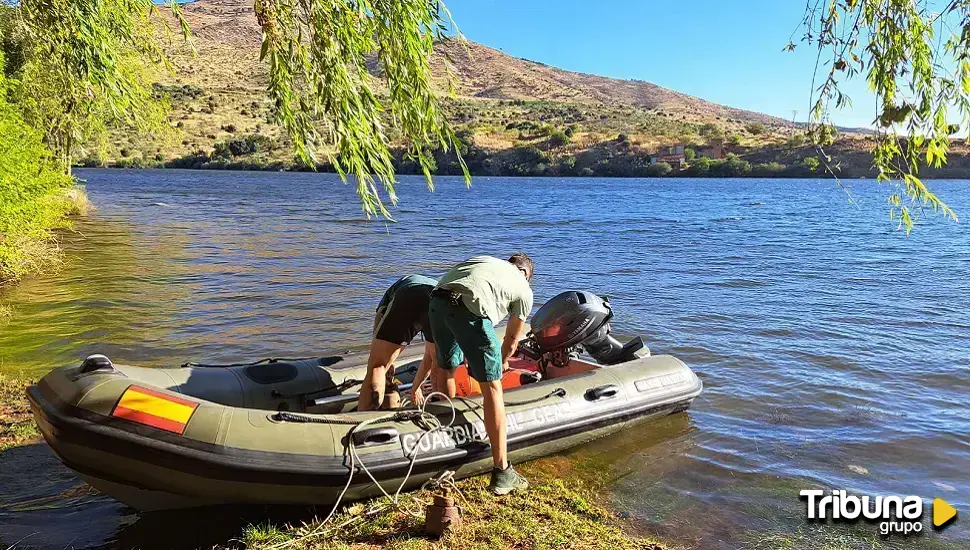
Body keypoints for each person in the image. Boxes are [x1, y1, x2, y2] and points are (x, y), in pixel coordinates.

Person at [428, 253, 534, 495]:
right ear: (526, 275)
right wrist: (502, 362)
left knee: (447, 368)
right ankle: (502, 471)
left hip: (437, 302)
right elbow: (512, 339)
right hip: (468, 310)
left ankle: (447, 432)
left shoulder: (486, 260)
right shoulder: (524, 289)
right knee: (493, 390)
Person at [359, 275, 442, 411]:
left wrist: (385, 363)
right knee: (434, 358)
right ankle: (440, 407)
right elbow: (430, 360)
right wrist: (415, 388)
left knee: (377, 366)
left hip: (410, 293)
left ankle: (365, 415)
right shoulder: (431, 284)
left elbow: (379, 336)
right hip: (437, 299)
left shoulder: (387, 300)